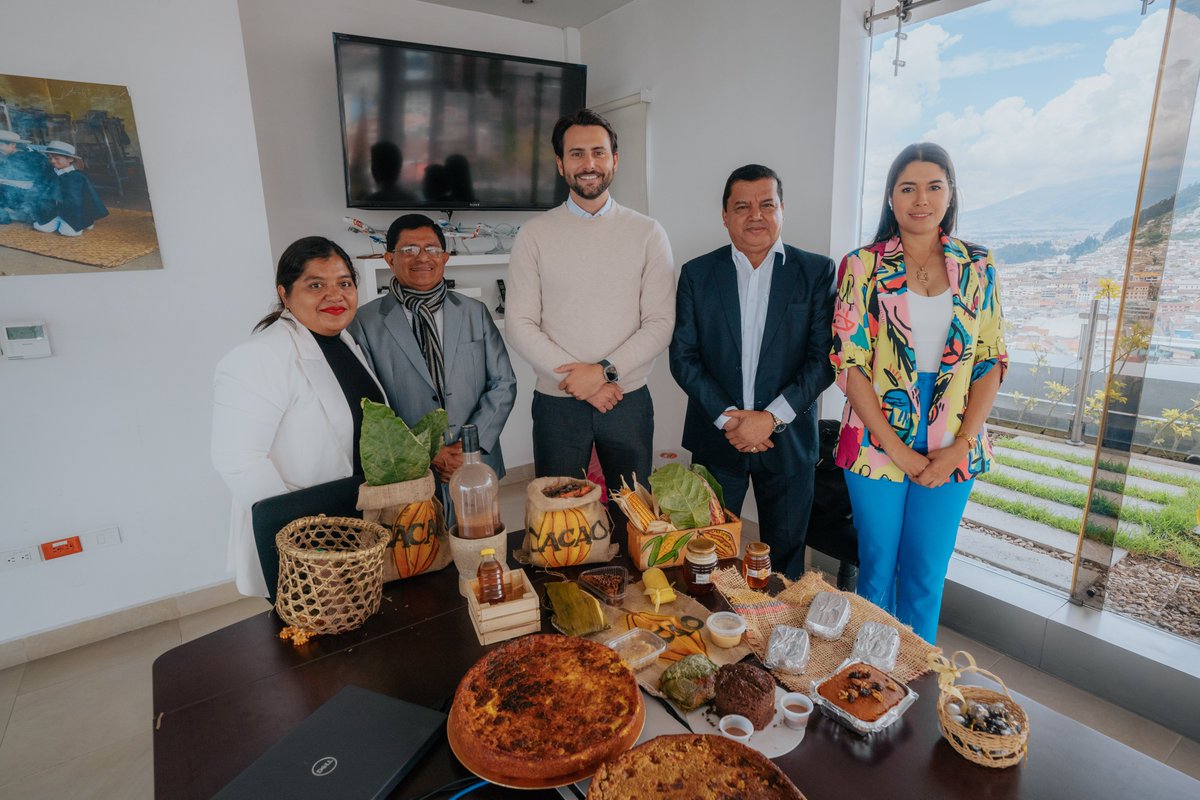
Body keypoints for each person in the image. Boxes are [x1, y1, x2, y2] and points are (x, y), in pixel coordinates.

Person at [830, 142, 1007, 643]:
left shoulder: (978, 265)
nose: (921, 199)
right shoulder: (862, 266)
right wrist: (898, 449)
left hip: (956, 431)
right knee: (878, 568)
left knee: (927, 573)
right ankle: (866, 684)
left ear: (950, 195)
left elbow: (991, 359)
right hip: (874, 435)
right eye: (908, 188)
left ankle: (916, 687)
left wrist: (961, 444)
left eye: (934, 186)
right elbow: (849, 361)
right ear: (890, 198)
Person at [670, 165, 835, 578]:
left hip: (788, 438)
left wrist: (769, 419)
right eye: (741, 206)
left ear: (782, 210)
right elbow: (684, 358)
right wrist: (732, 420)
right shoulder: (697, 273)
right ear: (724, 215)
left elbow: (823, 361)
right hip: (716, 436)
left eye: (767, 204)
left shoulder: (816, 272)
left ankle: (778, 633)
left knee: (784, 560)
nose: (755, 215)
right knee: (707, 551)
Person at [506, 108, 675, 492]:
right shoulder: (534, 235)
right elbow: (520, 323)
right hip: (557, 404)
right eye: (577, 154)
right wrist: (579, 381)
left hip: (627, 400)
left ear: (615, 160)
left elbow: (660, 322)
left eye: (598, 153)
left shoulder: (648, 233)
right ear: (560, 164)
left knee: (632, 513)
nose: (589, 163)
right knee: (559, 515)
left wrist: (602, 374)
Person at [212, 236, 386, 596]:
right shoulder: (260, 356)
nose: (335, 295)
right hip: (302, 538)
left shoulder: (343, 341)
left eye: (344, 283)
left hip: (351, 519)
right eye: (315, 285)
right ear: (285, 293)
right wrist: (307, 540)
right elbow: (237, 460)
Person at [349, 214, 516, 494]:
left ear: (445, 257)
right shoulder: (365, 322)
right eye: (409, 250)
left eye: (432, 249)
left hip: (475, 461)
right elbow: (370, 406)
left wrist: (467, 447)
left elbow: (503, 383)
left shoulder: (474, 312)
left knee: (481, 537)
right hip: (408, 469)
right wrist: (427, 451)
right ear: (390, 259)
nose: (422, 257)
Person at [32, 141, 108, 236]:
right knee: (40, 227)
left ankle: (87, 221)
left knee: (68, 233)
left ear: (70, 159)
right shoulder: (50, 173)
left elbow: (82, 200)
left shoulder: (78, 177)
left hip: (74, 213)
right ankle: (57, 220)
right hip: (54, 211)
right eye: (50, 158)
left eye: (56, 158)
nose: (52, 161)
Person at [0, 130, 59, 225]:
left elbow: (34, 184)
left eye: (0, 145)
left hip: (35, 198)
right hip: (24, 195)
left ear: (13, 145)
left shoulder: (28, 158)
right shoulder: (14, 155)